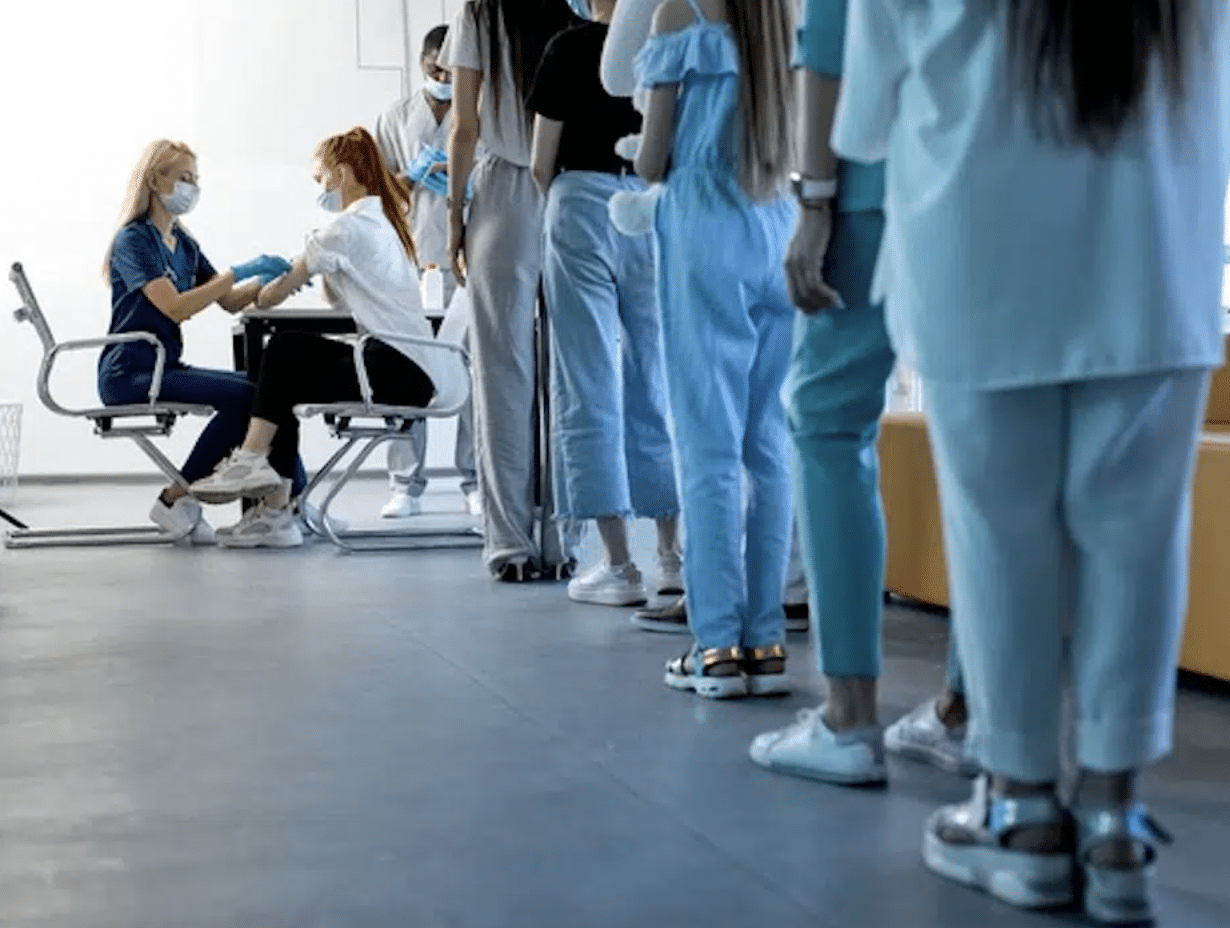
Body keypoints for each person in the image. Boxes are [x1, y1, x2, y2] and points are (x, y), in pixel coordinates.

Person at [835, 0, 1228, 920]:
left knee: (999, 540)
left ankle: (1019, 812)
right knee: (1138, 538)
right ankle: (1116, 822)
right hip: (1154, 262)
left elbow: (864, 120)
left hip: (980, 257)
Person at [747, 0, 974, 786]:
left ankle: (848, 716)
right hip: (983, 174)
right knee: (981, 440)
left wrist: (813, 200)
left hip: (876, 182)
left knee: (828, 425)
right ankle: (965, 710)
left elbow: (831, 45)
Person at [634, 0, 797, 698]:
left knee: (707, 445)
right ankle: (764, 638)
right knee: (769, 443)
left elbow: (650, 158)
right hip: (779, 221)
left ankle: (716, 643)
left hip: (703, 222)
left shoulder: (681, 10)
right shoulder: (784, 15)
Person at [187, 128, 448, 549]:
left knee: (284, 350)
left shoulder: (345, 228)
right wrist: (315, 268)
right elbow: (336, 293)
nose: (321, 188)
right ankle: (275, 509)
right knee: (284, 373)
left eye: (320, 179)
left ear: (342, 174)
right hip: (412, 369)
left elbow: (270, 298)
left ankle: (255, 470)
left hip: (393, 369)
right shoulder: (379, 222)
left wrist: (265, 277)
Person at [527, 0, 682, 607]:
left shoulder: (567, 47)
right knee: (656, 376)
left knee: (585, 378)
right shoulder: (663, 41)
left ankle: (618, 567)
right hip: (649, 207)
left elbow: (542, 161)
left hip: (580, 203)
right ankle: (671, 557)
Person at [440, 0, 582, 583]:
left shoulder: (481, 12)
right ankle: (568, 539)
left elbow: (463, 125)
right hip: (575, 185)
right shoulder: (580, 8)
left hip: (503, 190)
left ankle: (509, 545)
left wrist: (454, 214)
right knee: (573, 371)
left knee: (501, 371)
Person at [98, 140, 294, 544]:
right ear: (156, 180)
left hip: (165, 367)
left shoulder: (184, 244)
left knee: (268, 392)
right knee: (248, 397)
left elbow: (229, 300)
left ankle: (286, 503)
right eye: (184, 178)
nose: (192, 187)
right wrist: (236, 270)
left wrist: (276, 280)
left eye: (196, 180)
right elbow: (175, 308)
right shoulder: (133, 240)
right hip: (130, 371)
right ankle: (176, 499)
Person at [374, 24, 480, 521]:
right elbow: (376, 193)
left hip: (467, 259)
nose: (444, 77)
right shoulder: (395, 118)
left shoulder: (480, 109)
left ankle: (474, 479)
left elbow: (496, 175)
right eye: (436, 69)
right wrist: (409, 175)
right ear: (422, 63)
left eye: (451, 70)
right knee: (406, 365)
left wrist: (466, 180)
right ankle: (405, 483)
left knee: (471, 370)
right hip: (412, 260)